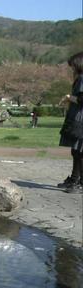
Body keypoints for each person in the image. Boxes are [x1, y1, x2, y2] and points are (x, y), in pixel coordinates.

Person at [57, 51, 83, 194]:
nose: (72, 68)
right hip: (78, 119)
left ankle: (80, 182)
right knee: (76, 151)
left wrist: (68, 97)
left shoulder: (82, 79)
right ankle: (74, 179)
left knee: (80, 152)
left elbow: (82, 99)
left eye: (73, 66)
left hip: (81, 120)